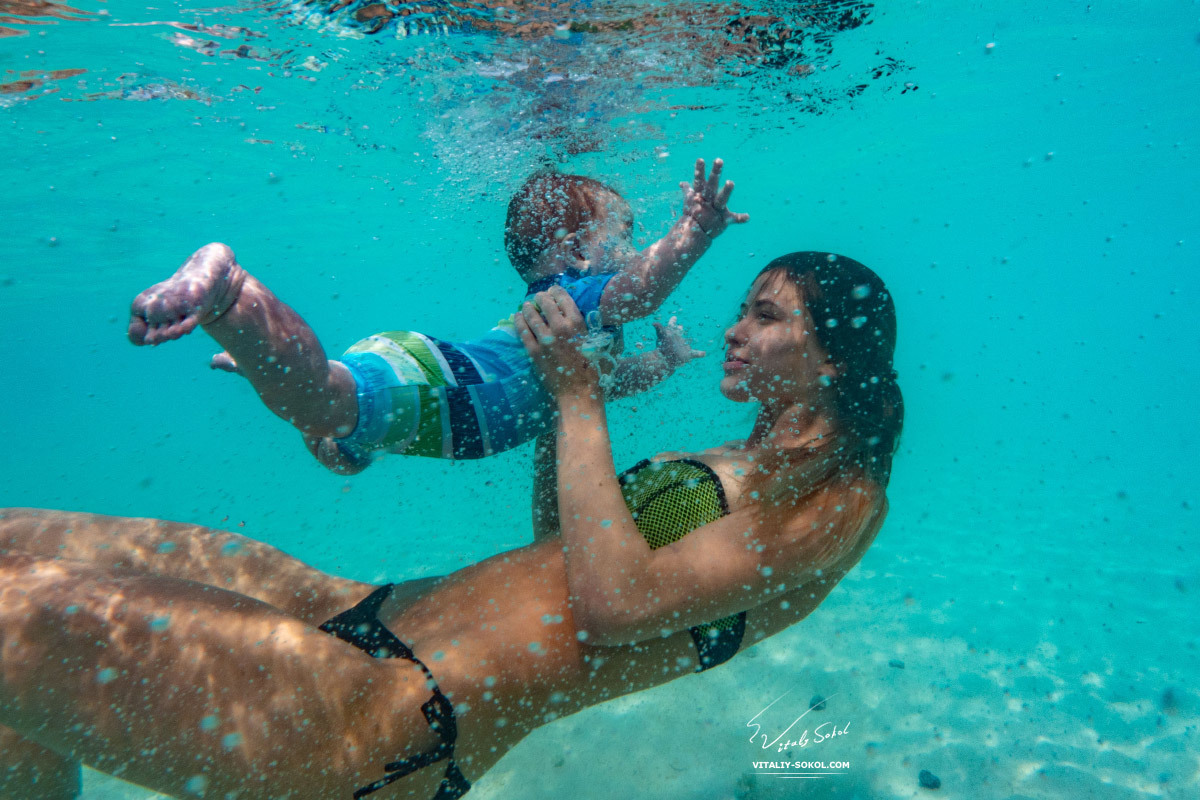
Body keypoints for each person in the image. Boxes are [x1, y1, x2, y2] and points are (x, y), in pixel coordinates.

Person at [0, 252, 901, 800]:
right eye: (744, 307)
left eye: (767, 315)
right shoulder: (747, 461)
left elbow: (617, 604)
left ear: (835, 360)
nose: (735, 330)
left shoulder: (840, 501)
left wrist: (581, 398)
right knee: (22, 546)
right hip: (365, 619)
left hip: (390, 711)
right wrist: (560, 402)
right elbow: (566, 542)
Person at [127, 158, 747, 474]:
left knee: (342, 446)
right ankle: (232, 297)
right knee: (322, 402)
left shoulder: (576, 341)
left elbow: (608, 386)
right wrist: (694, 232)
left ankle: (271, 360)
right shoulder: (574, 302)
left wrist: (663, 361)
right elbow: (641, 291)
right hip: (451, 386)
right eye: (628, 235)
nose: (635, 250)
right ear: (581, 252)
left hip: (435, 377)